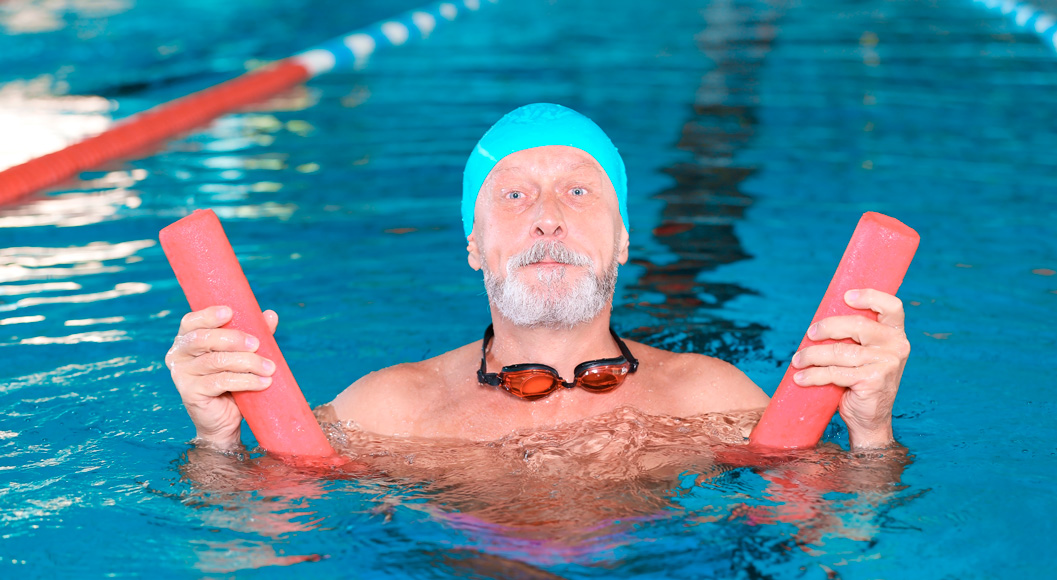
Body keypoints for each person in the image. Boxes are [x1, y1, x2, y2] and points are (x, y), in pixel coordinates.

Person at [166, 103, 909, 452]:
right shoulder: (387, 409)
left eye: (578, 192)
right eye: (514, 195)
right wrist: (216, 442)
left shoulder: (712, 399)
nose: (547, 217)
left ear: (621, 242)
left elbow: (830, 544)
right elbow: (257, 548)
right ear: (474, 246)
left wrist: (870, 431)